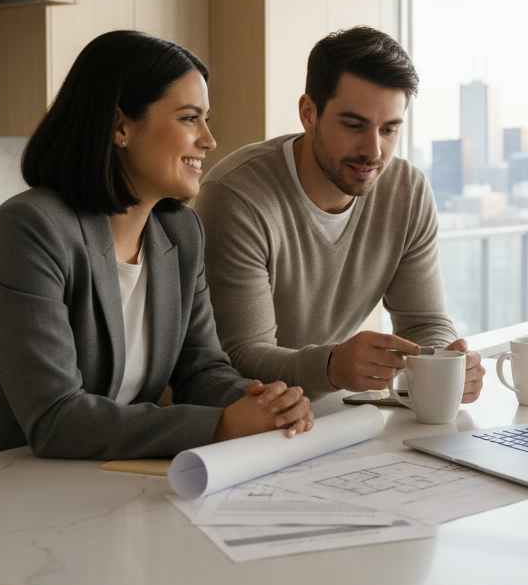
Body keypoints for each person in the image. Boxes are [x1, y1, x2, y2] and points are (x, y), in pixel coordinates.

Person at [0, 31, 313, 479]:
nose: (209, 140)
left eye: (205, 119)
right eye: (190, 118)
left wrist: (264, 403)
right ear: (120, 126)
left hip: (60, 490)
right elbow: (56, 418)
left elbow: (200, 369)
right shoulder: (30, 229)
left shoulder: (180, 233)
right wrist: (221, 425)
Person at [192, 26, 485, 403]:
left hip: (329, 413)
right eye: (354, 125)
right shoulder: (237, 198)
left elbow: (423, 323)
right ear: (308, 113)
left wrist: (447, 363)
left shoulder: (406, 192)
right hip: (244, 418)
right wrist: (331, 366)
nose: (374, 151)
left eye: (389, 129)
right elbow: (241, 356)